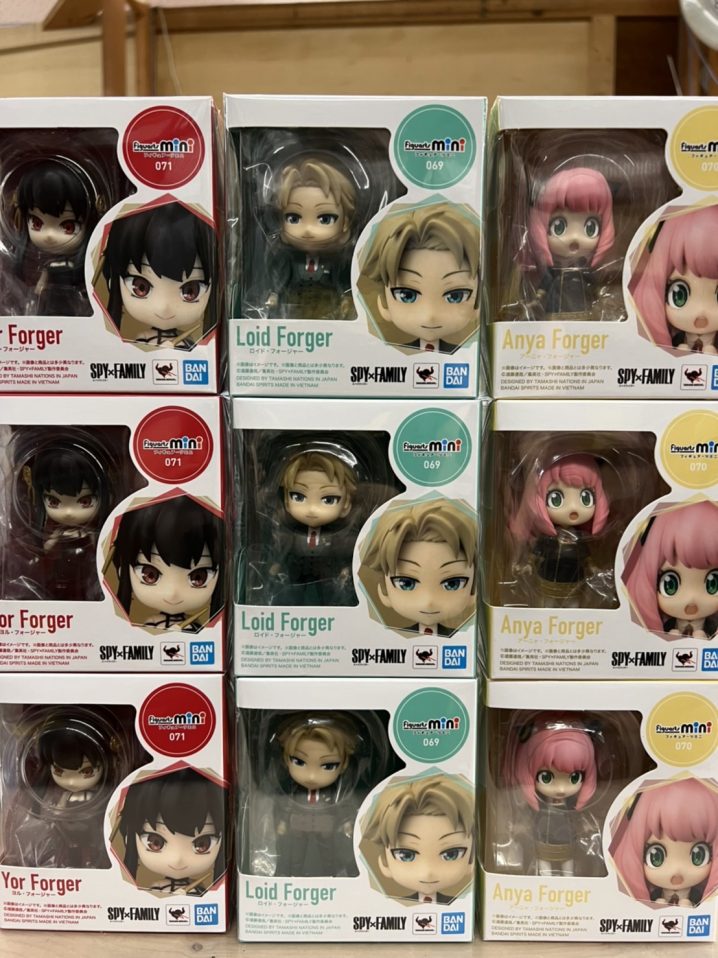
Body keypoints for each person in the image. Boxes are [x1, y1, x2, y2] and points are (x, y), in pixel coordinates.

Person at [359, 200, 480, 353]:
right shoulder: (389, 355)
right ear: (384, 301)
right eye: (407, 295)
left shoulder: (469, 355)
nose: (430, 315)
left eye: (455, 296)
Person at [361, 773, 474, 904]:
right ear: (385, 861)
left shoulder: (463, 905)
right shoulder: (392, 907)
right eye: (406, 855)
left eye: (451, 854)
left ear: (471, 858)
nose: (428, 872)